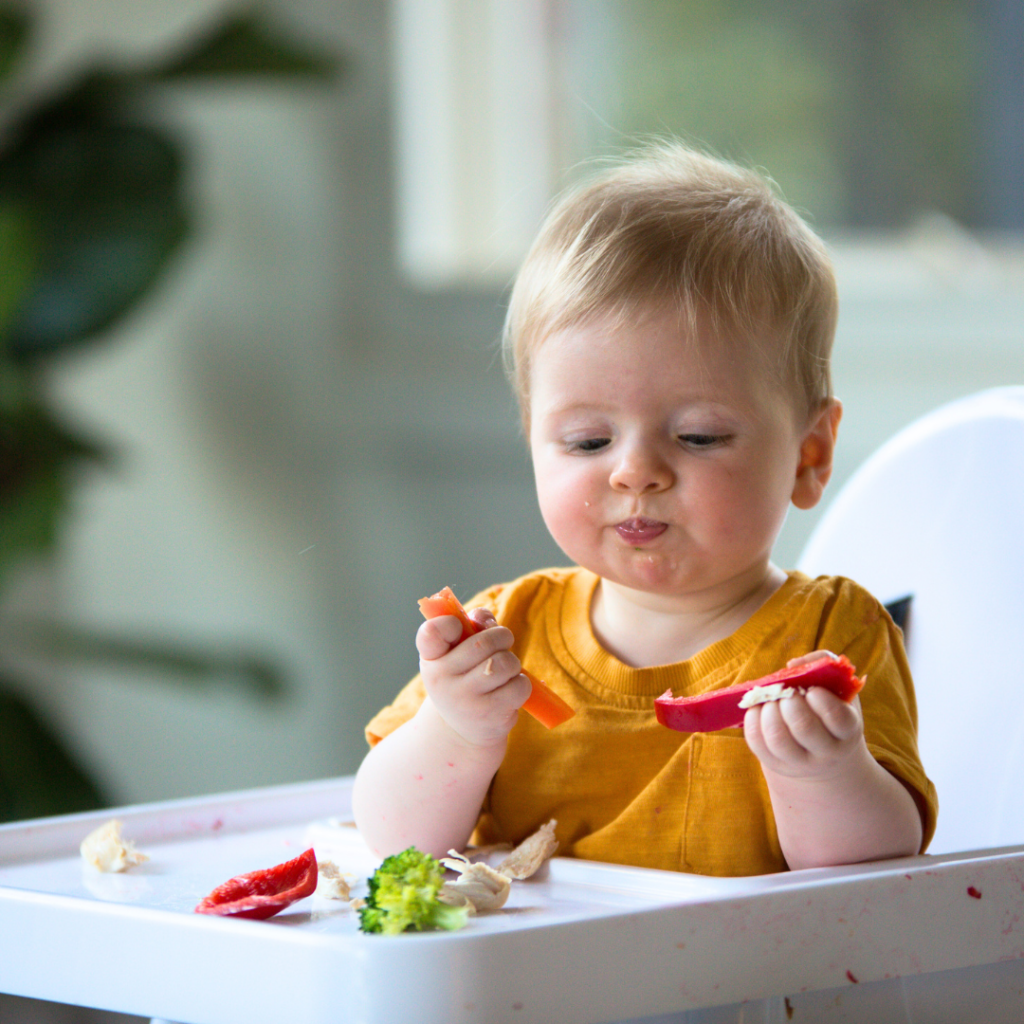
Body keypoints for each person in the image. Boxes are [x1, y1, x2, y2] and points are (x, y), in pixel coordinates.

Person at [352, 143, 937, 876]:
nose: (635, 472)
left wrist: (823, 774)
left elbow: (875, 877)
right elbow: (393, 841)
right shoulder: (509, 632)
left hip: (758, 985)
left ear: (808, 455)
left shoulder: (829, 636)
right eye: (588, 439)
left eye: (698, 436)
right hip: (535, 990)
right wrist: (459, 730)